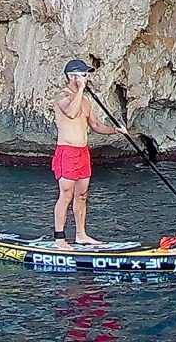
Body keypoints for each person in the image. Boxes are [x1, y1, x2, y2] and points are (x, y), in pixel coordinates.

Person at [52, 58, 128, 248]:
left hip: (83, 153)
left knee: (82, 195)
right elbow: (70, 113)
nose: (87, 77)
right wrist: (79, 89)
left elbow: (94, 125)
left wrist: (115, 130)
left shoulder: (85, 101)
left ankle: (81, 234)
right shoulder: (62, 96)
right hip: (67, 152)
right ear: (72, 76)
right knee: (66, 194)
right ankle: (59, 238)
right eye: (83, 74)